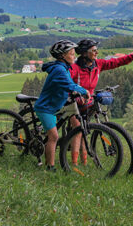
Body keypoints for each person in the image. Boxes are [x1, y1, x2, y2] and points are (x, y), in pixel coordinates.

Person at [68, 39, 133, 165]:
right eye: (94, 50)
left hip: (88, 101)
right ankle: (74, 165)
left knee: (84, 130)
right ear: (84, 53)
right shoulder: (75, 67)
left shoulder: (98, 65)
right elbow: (65, 82)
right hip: (74, 102)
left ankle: (83, 163)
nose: (97, 53)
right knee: (78, 131)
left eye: (97, 50)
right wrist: (73, 93)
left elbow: (116, 62)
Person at [34, 40, 88, 172]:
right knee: (54, 137)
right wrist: (83, 91)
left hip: (54, 106)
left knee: (51, 134)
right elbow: (69, 84)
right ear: (62, 56)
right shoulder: (59, 70)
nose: (74, 56)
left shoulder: (64, 68)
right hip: (46, 108)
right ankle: (50, 167)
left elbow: (66, 85)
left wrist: (75, 92)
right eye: (71, 53)